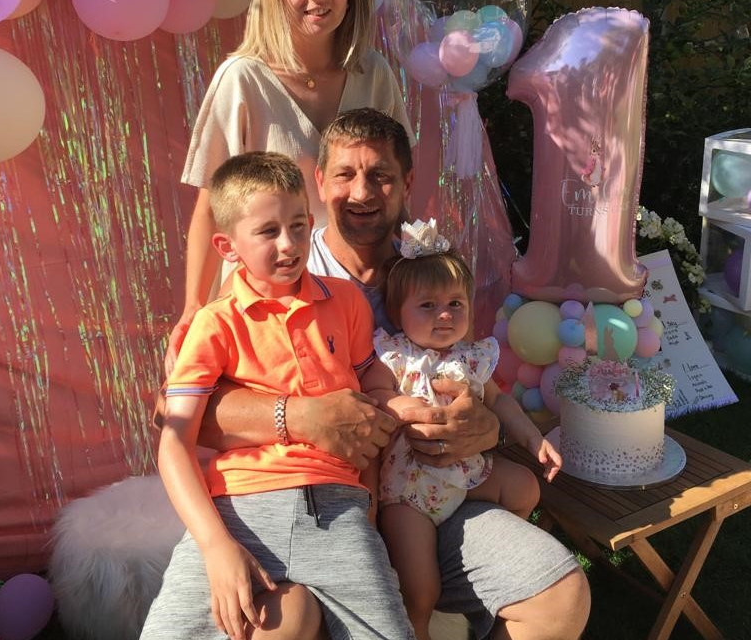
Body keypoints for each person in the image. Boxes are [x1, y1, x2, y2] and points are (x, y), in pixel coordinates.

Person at [194, 108, 591, 640]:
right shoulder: (276, 265)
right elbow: (189, 415)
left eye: (380, 175)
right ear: (320, 182)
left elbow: (471, 377)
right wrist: (301, 415)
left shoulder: (432, 265)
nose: (362, 192)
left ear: (407, 182)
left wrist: (486, 427)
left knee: (561, 599)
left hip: (430, 492)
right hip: (321, 505)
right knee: (280, 625)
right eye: (345, 174)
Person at [143, 151, 415, 640]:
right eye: (268, 232)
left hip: (339, 509)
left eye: (297, 226)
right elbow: (173, 443)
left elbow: (368, 390)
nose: (288, 244)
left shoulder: (347, 302)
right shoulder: (214, 323)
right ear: (227, 246)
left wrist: (369, 506)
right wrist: (216, 547)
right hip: (239, 509)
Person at [167, 0, 411, 373]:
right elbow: (210, 207)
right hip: (269, 320)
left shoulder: (374, 74)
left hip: (363, 312)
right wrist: (193, 311)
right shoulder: (242, 79)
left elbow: (396, 192)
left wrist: (412, 282)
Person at [361, 219, 562, 640]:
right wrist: (402, 405)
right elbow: (375, 395)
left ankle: (476, 568)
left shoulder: (471, 358)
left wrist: (533, 439)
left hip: (465, 477)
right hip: (410, 491)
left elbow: (500, 402)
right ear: (398, 313)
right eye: (428, 305)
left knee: (525, 487)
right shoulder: (396, 356)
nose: (445, 314)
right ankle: (418, 629)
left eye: (456, 303)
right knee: (420, 591)